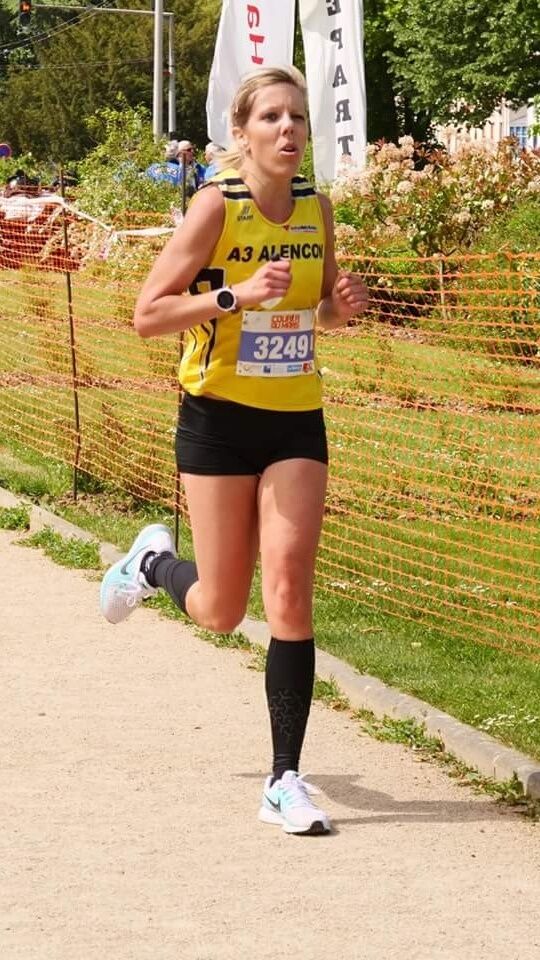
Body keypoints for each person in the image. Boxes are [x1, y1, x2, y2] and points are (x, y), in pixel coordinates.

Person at [100, 65, 368, 836]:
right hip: (216, 420)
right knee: (220, 610)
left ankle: (284, 778)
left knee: (287, 589)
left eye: (298, 119)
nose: (288, 130)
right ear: (243, 133)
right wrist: (232, 297)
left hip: (295, 422)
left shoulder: (318, 210)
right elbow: (148, 315)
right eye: (272, 118)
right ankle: (152, 562)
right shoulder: (217, 207)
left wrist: (340, 309)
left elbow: (321, 309)